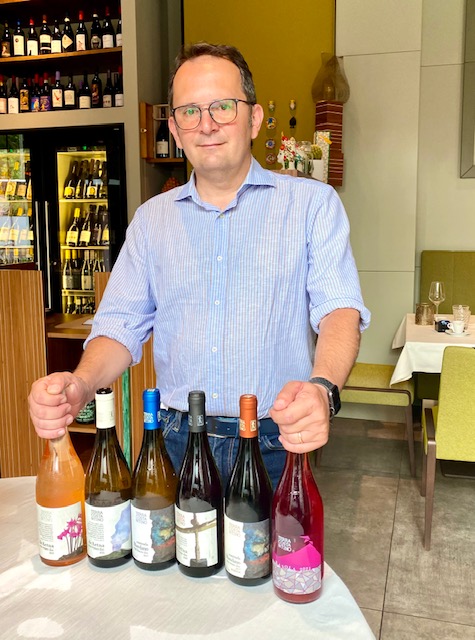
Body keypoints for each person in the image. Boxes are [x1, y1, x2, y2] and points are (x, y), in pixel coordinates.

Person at [28, 42, 370, 488]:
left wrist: (323, 389)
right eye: (189, 111)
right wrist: (80, 383)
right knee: (173, 539)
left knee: (273, 539)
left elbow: (339, 310)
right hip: (176, 440)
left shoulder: (311, 205)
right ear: (174, 128)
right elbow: (118, 326)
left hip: (274, 438)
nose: (206, 124)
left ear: (254, 118)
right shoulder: (151, 220)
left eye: (222, 107)